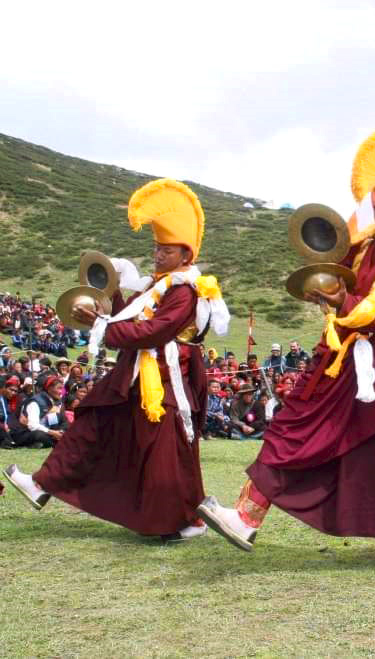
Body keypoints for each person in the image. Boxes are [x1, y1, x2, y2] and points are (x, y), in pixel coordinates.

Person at [198, 129, 375, 566]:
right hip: (340, 358)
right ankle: (246, 517)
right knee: (291, 425)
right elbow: (337, 274)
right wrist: (324, 288)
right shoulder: (366, 245)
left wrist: (342, 302)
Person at [3, 178, 230, 542]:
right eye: (156, 248)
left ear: (186, 256)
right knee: (92, 422)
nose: (157, 256)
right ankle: (41, 484)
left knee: (165, 450)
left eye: (166, 251)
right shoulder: (159, 285)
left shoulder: (184, 291)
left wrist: (101, 327)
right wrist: (106, 302)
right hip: (136, 374)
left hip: (164, 379)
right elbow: (131, 319)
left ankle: (179, 520)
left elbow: (154, 332)